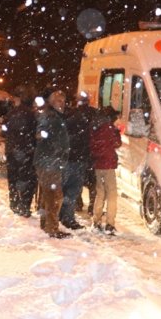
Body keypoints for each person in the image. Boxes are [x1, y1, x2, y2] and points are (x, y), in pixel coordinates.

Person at [34, 87, 71, 239]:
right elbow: (41, 132)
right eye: (58, 101)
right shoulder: (50, 116)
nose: (61, 103)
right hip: (49, 162)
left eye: (63, 101)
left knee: (48, 196)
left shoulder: (56, 116)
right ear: (51, 102)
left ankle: (46, 224)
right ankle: (52, 228)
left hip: (51, 161)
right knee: (55, 197)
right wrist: (48, 140)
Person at [2, 85, 38, 217]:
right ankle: (24, 205)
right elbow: (35, 133)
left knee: (13, 178)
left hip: (12, 151)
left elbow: (3, 132)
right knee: (27, 179)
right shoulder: (32, 114)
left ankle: (14, 203)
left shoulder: (10, 114)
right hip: (27, 151)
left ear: (17, 98)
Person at [60, 92, 94, 229]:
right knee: (73, 189)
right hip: (79, 158)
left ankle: (62, 215)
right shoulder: (88, 116)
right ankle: (67, 217)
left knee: (66, 188)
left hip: (68, 157)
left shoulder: (68, 116)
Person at [89, 106, 122, 235]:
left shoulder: (95, 126)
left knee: (100, 193)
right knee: (112, 194)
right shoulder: (109, 128)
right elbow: (117, 143)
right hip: (108, 165)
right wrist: (117, 132)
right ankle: (110, 224)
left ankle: (96, 221)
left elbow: (92, 145)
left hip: (98, 164)